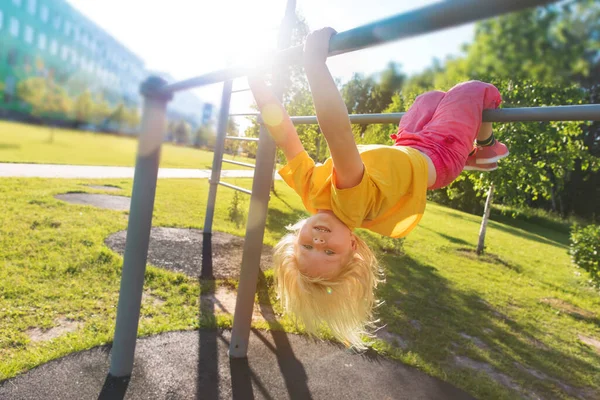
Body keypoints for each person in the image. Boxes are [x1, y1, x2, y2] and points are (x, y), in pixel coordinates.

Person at [248, 27, 509, 349]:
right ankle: (484, 146)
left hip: (411, 144)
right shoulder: (351, 203)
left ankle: (471, 154)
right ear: (354, 246)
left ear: (294, 240)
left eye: (307, 248)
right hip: (441, 154)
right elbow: (338, 133)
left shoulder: (310, 193)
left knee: (431, 99)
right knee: (473, 90)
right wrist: (313, 62)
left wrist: (257, 84)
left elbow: (285, 135)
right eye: (330, 252)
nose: (318, 241)